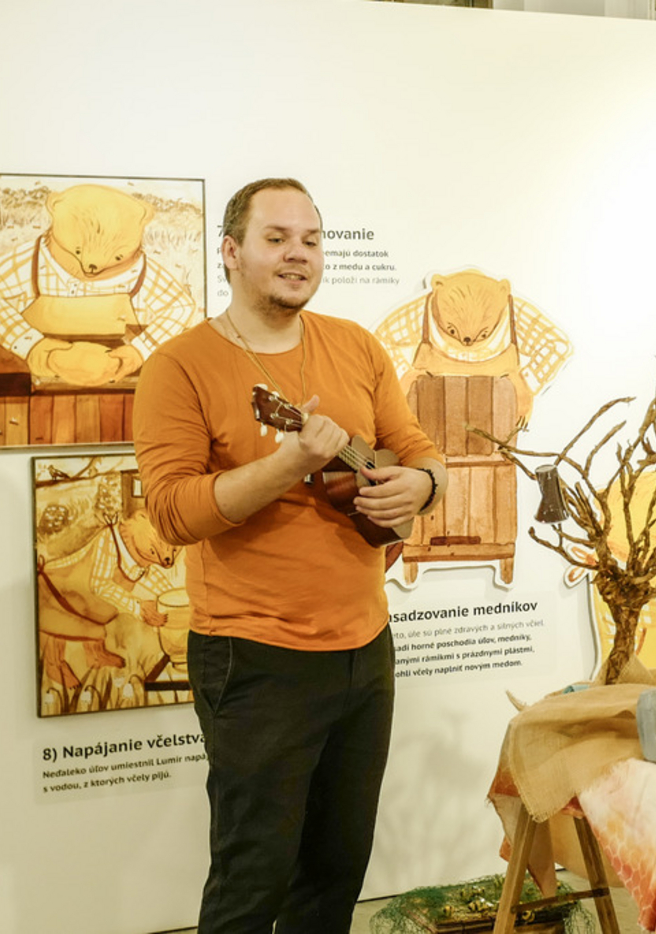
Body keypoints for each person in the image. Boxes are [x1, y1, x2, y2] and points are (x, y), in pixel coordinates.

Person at [132, 178, 447, 933]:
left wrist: (424, 487)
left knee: (335, 874)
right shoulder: (179, 366)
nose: (297, 254)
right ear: (231, 251)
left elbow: (415, 448)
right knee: (252, 880)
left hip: (366, 647)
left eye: (310, 239)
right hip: (253, 657)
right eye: (276, 238)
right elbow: (173, 513)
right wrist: (288, 464)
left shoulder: (357, 345)